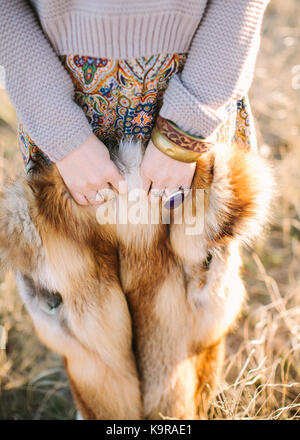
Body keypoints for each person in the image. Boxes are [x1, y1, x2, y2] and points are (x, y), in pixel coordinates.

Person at [0, 0, 269, 206]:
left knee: (201, 271)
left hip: (200, 80)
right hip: (54, 99)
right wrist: (60, 131)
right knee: (62, 275)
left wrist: (185, 131)